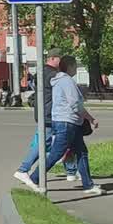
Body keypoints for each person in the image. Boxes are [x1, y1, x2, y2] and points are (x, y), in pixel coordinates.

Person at [22, 55, 103, 196]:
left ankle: (88, 185)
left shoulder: (59, 80)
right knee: (56, 153)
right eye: (75, 66)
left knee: (81, 152)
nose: (76, 69)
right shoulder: (66, 81)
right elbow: (75, 104)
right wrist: (90, 118)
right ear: (70, 66)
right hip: (67, 122)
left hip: (67, 122)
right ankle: (34, 178)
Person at [14, 48, 62, 180]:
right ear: (53, 58)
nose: (61, 62)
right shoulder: (53, 74)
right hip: (49, 112)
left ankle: (70, 169)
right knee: (44, 142)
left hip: (43, 111)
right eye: (60, 59)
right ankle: (23, 169)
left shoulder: (41, 72)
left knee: (49, 142)